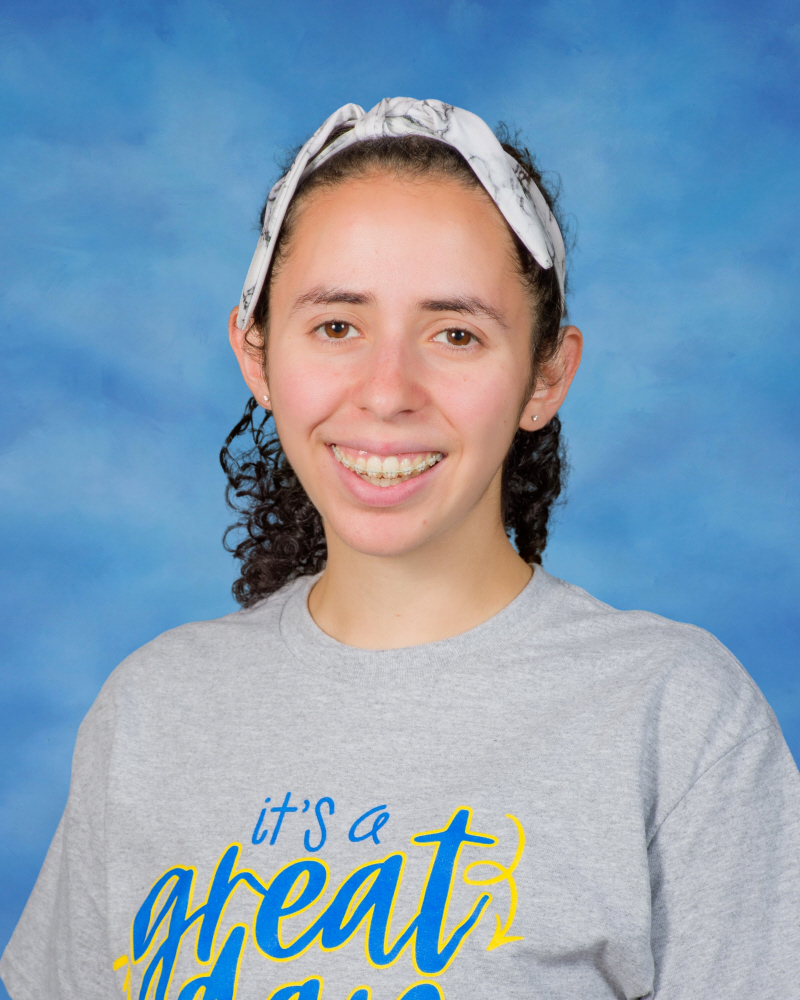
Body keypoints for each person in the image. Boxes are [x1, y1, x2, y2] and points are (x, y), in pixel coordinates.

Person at [1, 97, 799, 1000]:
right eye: (337, 327)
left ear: (546, 375)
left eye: (455, 334)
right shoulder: (151, 711)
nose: (387, 392)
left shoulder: (675, 718)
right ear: (257, 355)